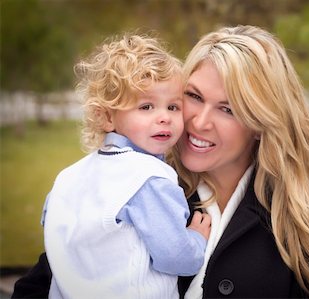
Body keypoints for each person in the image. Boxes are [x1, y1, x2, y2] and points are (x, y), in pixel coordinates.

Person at [13, 25, 309, 298]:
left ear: (261, 123)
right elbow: (42, 283)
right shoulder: (136, 184)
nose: (198, 122)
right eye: (194, 97)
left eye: (227, 109)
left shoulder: (303, 221)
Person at [37, 33, 211, 299]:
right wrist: (197, 238)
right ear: (107, 116)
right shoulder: (148, 179)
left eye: (173, 107)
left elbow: (55, 229)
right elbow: (177, 258)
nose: (164, 117)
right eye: (147, 106)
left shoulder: (68, 178)